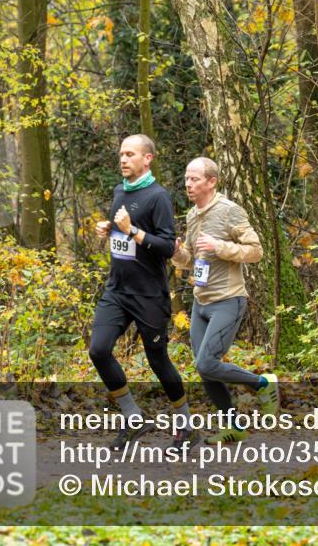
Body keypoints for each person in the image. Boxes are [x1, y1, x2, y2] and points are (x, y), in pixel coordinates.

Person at [90, 134, 190, 451]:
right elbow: (123, 234)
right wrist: (109, 229)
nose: (123, 159)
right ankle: (133, 417)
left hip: (148, 294)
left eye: (130, 154)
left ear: (148, 159)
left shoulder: (158, 197)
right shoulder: (119, 191)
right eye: (121, 154)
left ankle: (186, 427)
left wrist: (132, 230)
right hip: (117, 291)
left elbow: (166, 246)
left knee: (158, 361)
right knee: (98, 350)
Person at [171, 157, 279, 444]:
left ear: (212, 182)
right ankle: (234, 426)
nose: (188, 184)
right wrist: (176, 253)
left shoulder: (230, 211)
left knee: (207, 363)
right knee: (205, 369)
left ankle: (263, 383)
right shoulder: (192, 215)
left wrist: (220, 246)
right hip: (200, 302)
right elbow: (191, 260)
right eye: (186, 179)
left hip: (228, 299)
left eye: (194, 179)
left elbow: (256, 251)